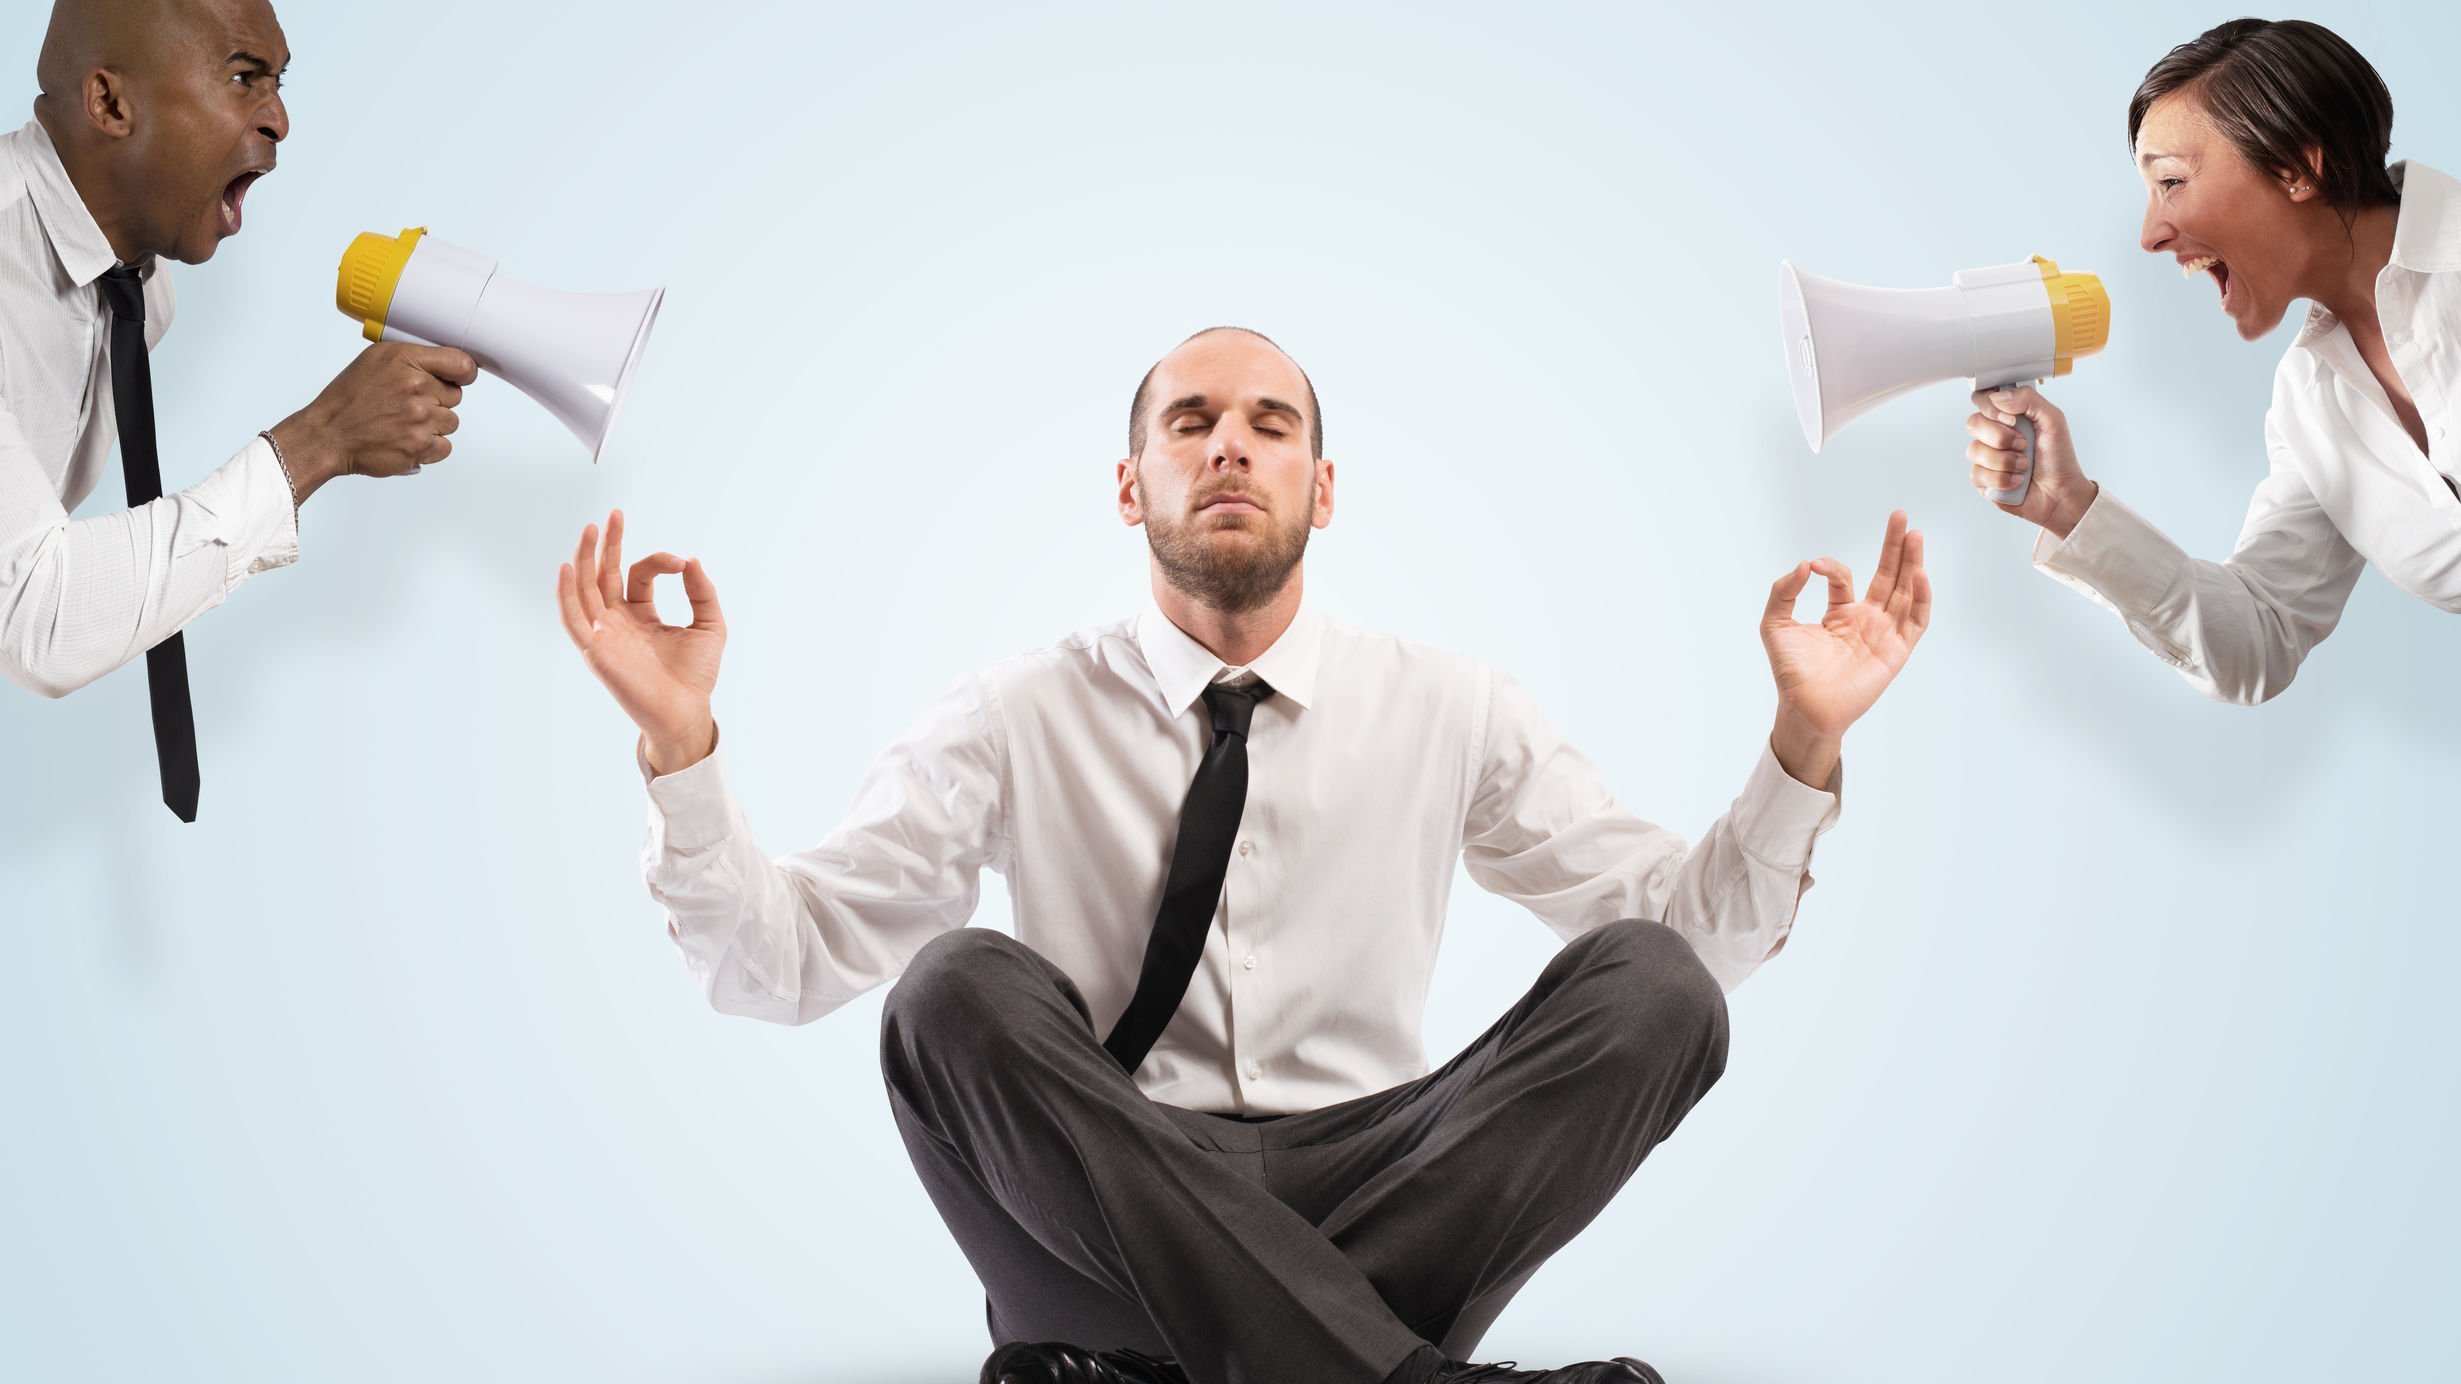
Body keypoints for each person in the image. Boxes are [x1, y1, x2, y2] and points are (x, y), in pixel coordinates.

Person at [557, 327, 1932, 1384]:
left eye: (1270, 428)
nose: (1230, 448)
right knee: (950, 991)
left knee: (1653, 984)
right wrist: (684, 745)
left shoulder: (1453, 706)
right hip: (1102, 1201)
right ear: (1129, 482)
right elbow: (774, 966)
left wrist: (1803, 740)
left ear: (1321, 490)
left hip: (1390, 1195)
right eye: (1191, 422)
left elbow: (1701, 944)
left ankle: (1216, 1360)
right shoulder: (1011, 714)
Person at [1, 0, 477, 819]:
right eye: (244, 77)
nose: (281, 119)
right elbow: (34, 615)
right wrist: (319, 442)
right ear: (112, 103)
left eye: (280, 82)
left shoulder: (142, 295)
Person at [1964, 18, 2457, 704]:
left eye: (2170, 181)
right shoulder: (2306, 405)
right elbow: (2257, 635)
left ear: (2294, 169)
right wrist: (2070, 508)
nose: (2149, 233)